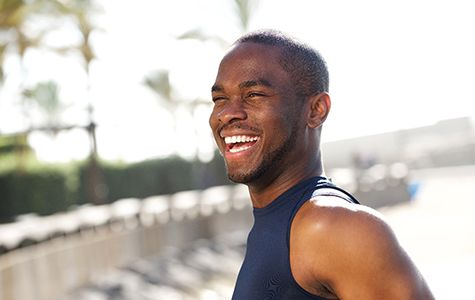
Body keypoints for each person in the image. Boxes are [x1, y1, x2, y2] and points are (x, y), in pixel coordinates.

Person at [209, 29, 434, 299]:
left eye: (254, 94)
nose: (227, 114)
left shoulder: (335, 228)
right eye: (219, 99)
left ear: (316, 110)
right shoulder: (278, 223)